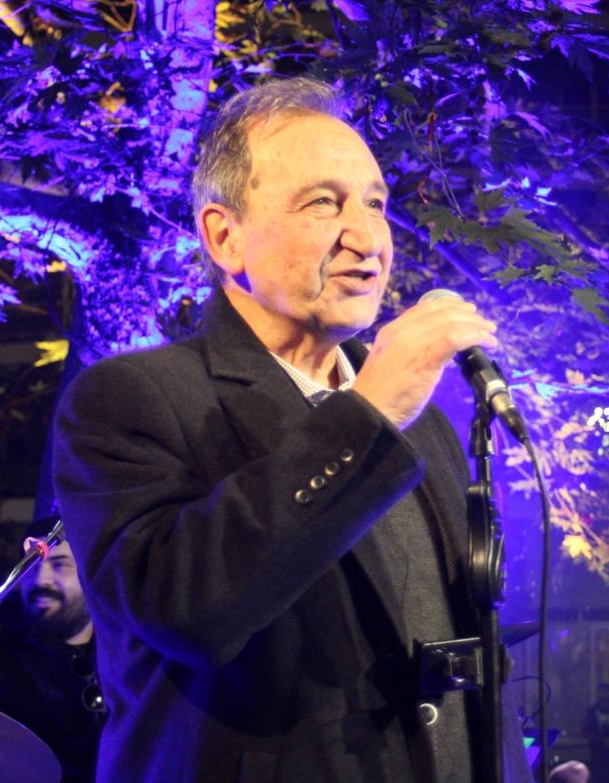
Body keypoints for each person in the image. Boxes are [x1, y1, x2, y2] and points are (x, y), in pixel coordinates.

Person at [53, 77, 531, 782]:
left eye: (375, 204)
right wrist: (367, 415)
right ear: (225, 236)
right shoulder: (131, 399)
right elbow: (184, 610)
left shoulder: (421, 417)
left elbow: (467, 653)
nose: (366, 237)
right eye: (322, 204)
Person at [0, 517, 104, 783]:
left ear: (91, 575)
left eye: (60, 565)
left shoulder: (125, 653)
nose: (41, 580)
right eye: (32, 565)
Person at [581, 683, 609, 782]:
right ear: (598, 694)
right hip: (598, 752)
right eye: (602, 692)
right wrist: (600, 741)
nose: (605, 694)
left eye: (607, 692)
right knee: (599, 777)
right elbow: (585, 730)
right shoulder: (592, 711)